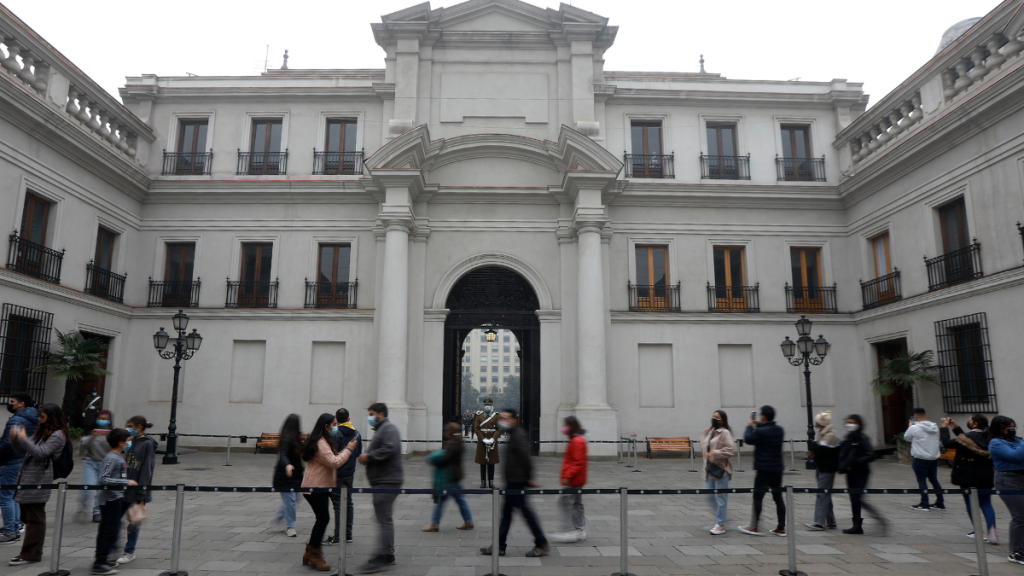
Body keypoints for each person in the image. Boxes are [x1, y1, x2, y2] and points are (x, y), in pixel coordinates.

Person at [479, 408, 548, 558]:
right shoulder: (513, 435)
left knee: (526, 514)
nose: (502, 421)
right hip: (512, 482)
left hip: (518, 482)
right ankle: (499, 546)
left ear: (514, 420)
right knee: (507, 515)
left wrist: (528, 478)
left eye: (505, 418)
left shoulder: (519, 435)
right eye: (501, 418)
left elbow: (526, 459)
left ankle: (542, 543)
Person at [7, 403, 67, 567]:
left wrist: (23, 438)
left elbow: (41, 453)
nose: (39, 419)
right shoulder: (43, 431)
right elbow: (23, 450)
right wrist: (15, 440)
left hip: (39, 478)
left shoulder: (58, 434)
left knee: (35, 518)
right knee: (27, 516)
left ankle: (31, 554)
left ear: (52, 416)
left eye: (42, 416)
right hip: (28, 477)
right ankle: (32, 551)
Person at [300, 413, 357, 572]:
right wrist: (349, 449)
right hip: (314, 487)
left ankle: (310, 552)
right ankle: (314, 554)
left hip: (321, 487)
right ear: (326, 426)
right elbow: (334, 463)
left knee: (322, 518)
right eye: (333, 424)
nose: (335, 427)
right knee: (323, 519)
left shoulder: (324, 440)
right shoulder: (320, 443)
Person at [356, 403, 404, 573]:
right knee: (383, 518)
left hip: (387, 481)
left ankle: (385, 555)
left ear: (381, 414)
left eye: (372, 413)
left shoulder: (388, 428)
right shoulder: (382, 429)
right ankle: (386, 553)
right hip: (382, 481)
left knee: (384, 519)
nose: (370, 417)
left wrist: (369, 456)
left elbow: (390, 449)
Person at [941, 414, 996, 542]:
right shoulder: (988, 436)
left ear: (975, 424)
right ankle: (992, 532)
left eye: (970, 420)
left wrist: (944, 428)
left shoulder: (968, 437)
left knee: (970, 503)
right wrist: (956, 428)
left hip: (967, 475)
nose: (969, 422)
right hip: (986, 475)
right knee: (986, 503)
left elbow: (948, 443)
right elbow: (968, 440)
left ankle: (979, 531)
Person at [114, 416, 158, 566]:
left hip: (137, 489)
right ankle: (112, 549)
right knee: (113, 519)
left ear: (139, 427)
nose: (127, 428)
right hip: (123, 487)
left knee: (133, 522)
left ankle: (129, 551)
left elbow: (147, 468)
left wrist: (142, 491)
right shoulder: (128, 442)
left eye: (129, 426)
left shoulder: (148, 444)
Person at [93, 428, 135, 575]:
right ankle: (99, 563)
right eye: (128, 440)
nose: (130, 442)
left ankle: (103, 560)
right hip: (110, 499)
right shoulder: (112, 458)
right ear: (121, 443)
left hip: (116, 497)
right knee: (108, 531)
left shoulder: (118, 457)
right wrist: (125, 482)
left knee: (110, 530)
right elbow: (103, 479)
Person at [739, 405, 786, 536]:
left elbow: (748, 439)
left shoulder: (760, 432)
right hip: (777, 469)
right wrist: (758, 424)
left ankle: (754, 526)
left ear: (763, 416)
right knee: (778, 498)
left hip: (764, 469)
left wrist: (750, 425)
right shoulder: (779, 430)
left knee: (758, 497)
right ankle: (781, 527)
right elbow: (767, 431)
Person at [838, 414, 887, 535]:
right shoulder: (849, 438)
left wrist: (857, 461)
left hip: (861, 472)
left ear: (858, 424)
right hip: (850, 472)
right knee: (853, 499)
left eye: (852, 422)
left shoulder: (862, 438)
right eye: (848, 422)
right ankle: (857, 525)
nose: (849, 425)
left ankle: (878, 517)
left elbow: (871, 454)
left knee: (857, 498)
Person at [0, 394, 37, 544]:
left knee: (6, 496)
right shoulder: (33, 419)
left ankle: (10, 531)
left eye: (12, 402)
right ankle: (14, 526)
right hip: (23, 460)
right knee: (13, 495)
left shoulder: (16, 420)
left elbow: (8, 443)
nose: (10, 404)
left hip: (11, 461)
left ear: (21, 404)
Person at [423, 422, 473, 532]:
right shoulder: (458, 443)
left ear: (450, 432)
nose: (445, 433)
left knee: (442, 500)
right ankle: (468, 521)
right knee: (460, 500)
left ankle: (435, 523)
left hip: (450, 476)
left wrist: (435, 458)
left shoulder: (454, 445)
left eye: (446, 431)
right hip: (455, 476)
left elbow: (445, 459)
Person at [988, 415, 1024, 564]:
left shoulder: (1016, 441)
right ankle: (1016, 552)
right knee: (1020, 516)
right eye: (1010, 427)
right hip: (1008, 480)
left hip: (1021, 477)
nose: (1013, 430)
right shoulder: (995, 443)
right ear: (1000, 428)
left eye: (1014, 427)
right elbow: (1015, 456)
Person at [327, 408, 362, 545]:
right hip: (350, 472)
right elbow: (358, 452)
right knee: (348, 503)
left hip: (338, 472)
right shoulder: (357, 433)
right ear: (349, 419)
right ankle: (347, 534)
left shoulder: (336, 434)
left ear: (336, 419)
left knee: (338, 505)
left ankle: (338, 536)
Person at [550, 416, 588, 543]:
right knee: (577, 504)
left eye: (566, 425)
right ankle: (579, 530)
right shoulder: (576, 439)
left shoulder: (577, 441)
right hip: (576, 479)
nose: (564, 428)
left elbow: (577, 462)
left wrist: (568, 476)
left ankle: (570, 530)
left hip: (574, 479)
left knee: (566, 502)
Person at [700, 410, 735, 535]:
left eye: (717, 417)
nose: (714, 419)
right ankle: (722, 518)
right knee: (709, 496)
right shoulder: (709, 432)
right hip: (709, 469)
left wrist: (716, 453)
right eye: (713, 416)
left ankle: (720, 524)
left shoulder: (725, 432)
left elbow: (730, 450)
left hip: (721, 470)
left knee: (721, 497)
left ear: (722, 420)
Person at [270, 414, 304, 538]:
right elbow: (283, 454)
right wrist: (287, 465)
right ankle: (291, 526)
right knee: (290, 500)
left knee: (296, 498)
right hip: (285, 476)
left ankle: (278, 517)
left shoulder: (296, 438)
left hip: (295, 476)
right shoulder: (286, 438)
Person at [905, 407, 944, 511]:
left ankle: (924, 503)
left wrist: (910, 426)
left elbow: (906, 438)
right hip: (933, 458)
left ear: (915, 417)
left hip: (920, 458)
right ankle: (940, 503)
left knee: (922, 481)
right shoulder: (934, 427)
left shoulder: (914, 427)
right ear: (926, 415)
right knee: (934, 480)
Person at [805, 411, 839, 531]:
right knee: (825, 493)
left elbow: (819, 449)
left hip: (827, 468)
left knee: (822, 493)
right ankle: (831, 521)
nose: (816, 426)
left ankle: (819, 522)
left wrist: (814, 446)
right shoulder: (823, 434)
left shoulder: (829, 435)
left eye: (817, 424)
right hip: (821, 467)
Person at [81, 409, 114, 523]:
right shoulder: (91, 431)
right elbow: (83, 445)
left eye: (105, 419)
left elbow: (117, 448)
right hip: (90, 462)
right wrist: (91, 436)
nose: (103, 421)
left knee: (101, 490)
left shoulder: (113, 433)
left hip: (105, 463)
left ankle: (97, 512)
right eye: (100, 419)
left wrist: (111, 437)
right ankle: (84, 506)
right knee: (88, 488)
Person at [473, 399, 500, 489]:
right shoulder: (479, 416)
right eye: (486, 404)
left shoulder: (496, 416)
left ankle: (491, 481)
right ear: (483, 406)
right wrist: (483, 439)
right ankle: (483, 481)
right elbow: (476, 429)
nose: (487, 406)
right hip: (482, 442)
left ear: (491, 406)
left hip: (492, 442)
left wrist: (493, 439)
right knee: (483, 462)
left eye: (489, 404)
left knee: (491, 462)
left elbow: (499, 429)